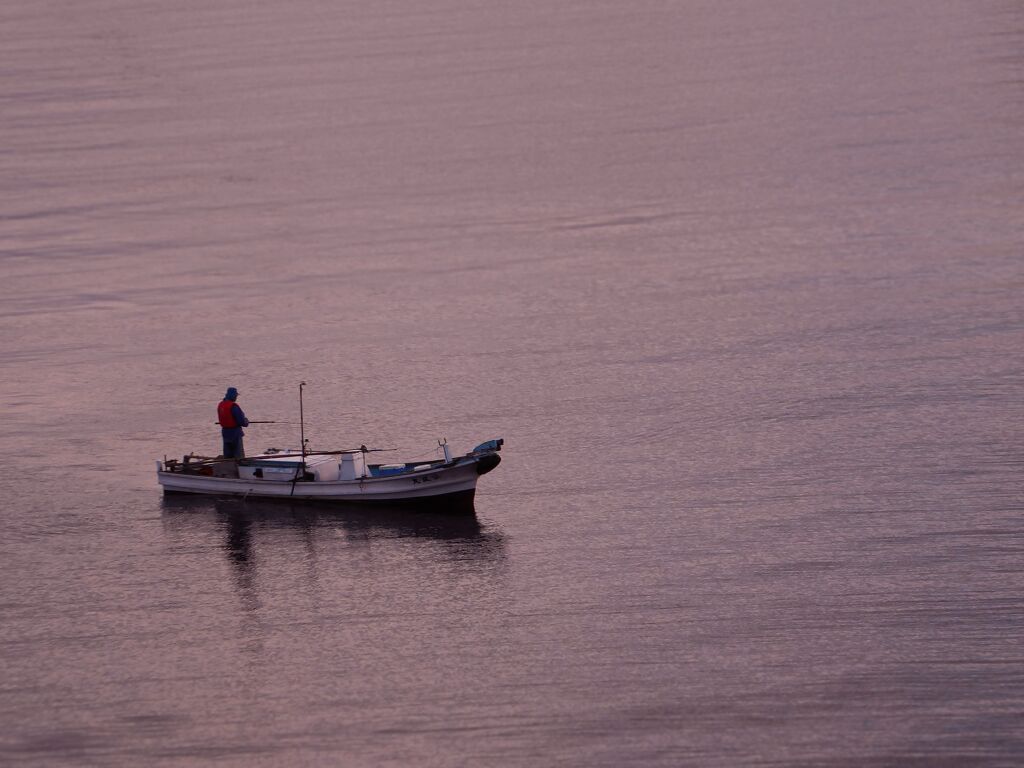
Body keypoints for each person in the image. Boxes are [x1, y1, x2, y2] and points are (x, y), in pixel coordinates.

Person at [217, 387, 250, 458]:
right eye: (235, 396)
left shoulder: (220, 405)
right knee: (239, 457)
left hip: (225, 433)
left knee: (228, 456)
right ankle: (239, 467)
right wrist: (246, 421)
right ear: (232, 395)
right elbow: (242, 422)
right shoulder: (233, 406)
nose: (236, 397)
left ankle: (228, 467)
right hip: (235, 433)